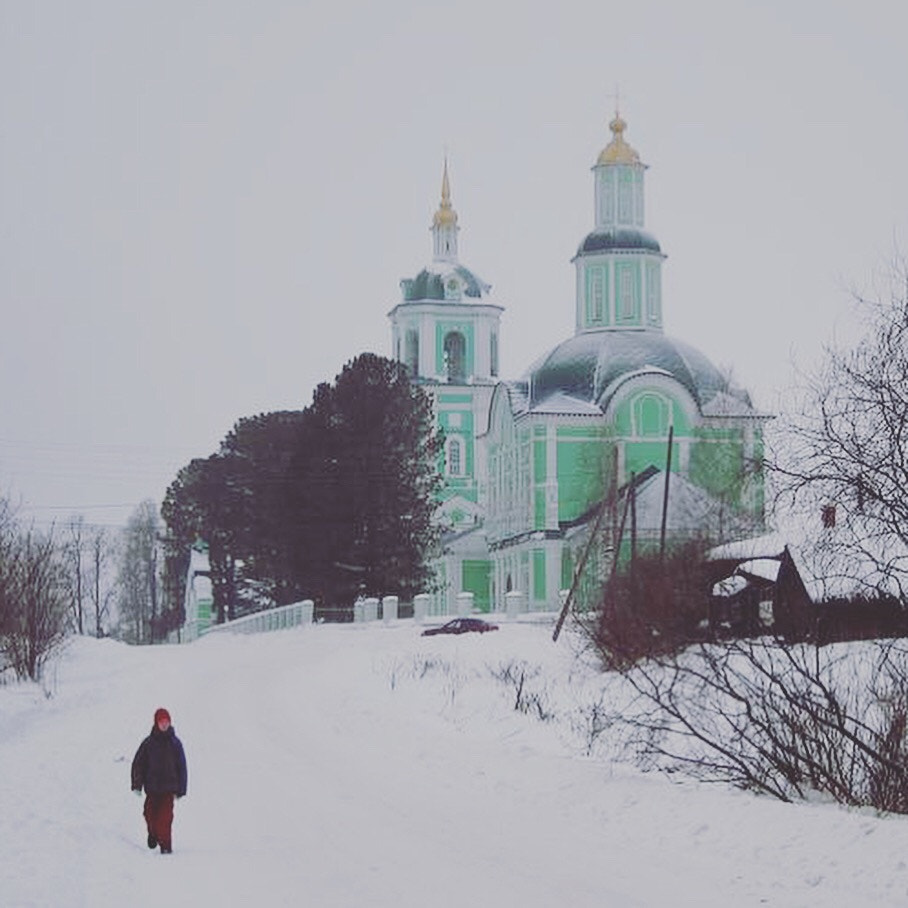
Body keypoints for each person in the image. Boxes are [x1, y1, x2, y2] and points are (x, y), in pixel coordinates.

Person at [130, 707, 188, 854]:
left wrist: (181, 789)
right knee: (149, 814)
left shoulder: (175, 744)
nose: (164, 725)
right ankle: (153, 834)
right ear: (156, 723)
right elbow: (138, 764)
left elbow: (182, 766)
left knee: (165, 819)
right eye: (161, 722)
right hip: (152, 789)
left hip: (168, 790)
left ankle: (166, 847)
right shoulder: (148, 744)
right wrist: (137, 784)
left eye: (166, 722)